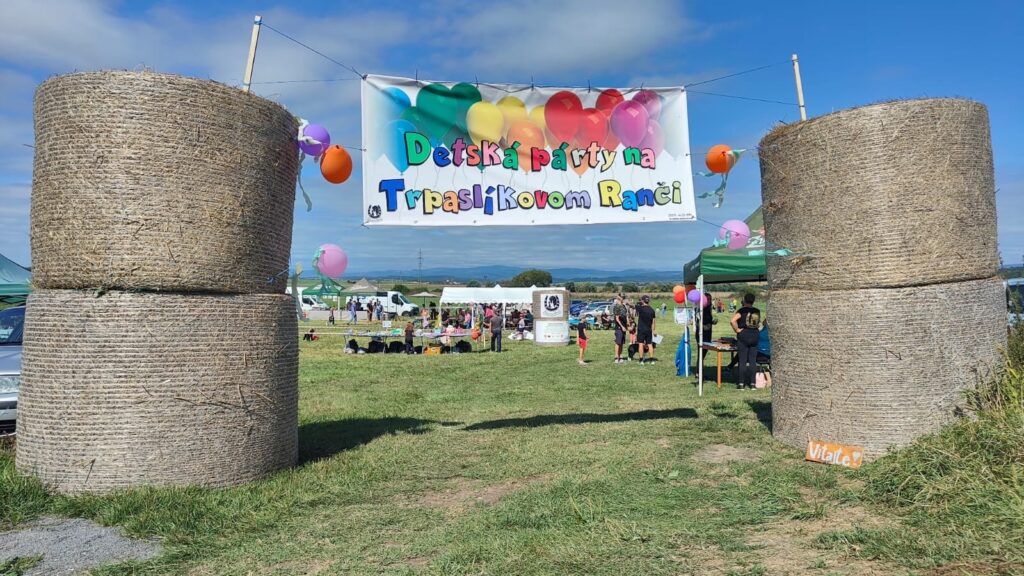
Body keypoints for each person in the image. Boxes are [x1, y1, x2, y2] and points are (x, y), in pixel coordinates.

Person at [730, 293, 762, 390]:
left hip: (744, 335)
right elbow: (758, 323)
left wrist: (737, 329)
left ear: (744, 300)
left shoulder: (742, 310)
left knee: (742, 360)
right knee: (752, 361)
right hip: (755, 334)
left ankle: (741, 383)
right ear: (753, 301)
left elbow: (732, 321)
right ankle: (753, 384)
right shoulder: (757, 311)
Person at [635, 295, 657, 364]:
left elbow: (632, 305)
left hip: (641, 329)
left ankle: (641, 360)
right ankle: (651, 360)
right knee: (650, 344)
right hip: (649, 330)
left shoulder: (640, 308)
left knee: (640, 344)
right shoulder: (652, 310)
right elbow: (653, 322)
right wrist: (654, 330)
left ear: (643, 301)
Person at [699, 296, 715, 366]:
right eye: (708, 299)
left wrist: (712, 322)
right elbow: (697, 322)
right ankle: (698, 370)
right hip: (702, 334)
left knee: (704, 352)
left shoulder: (709, 308)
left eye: (710, 299)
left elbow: (707, 320)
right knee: (701, 353)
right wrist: (704, 327)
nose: (710, 301)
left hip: (708, 333)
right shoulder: (700, 309)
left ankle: (700, 369)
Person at [612, 295, 628, 364]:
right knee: (618, 342)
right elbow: (617, 318)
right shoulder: (617, 306)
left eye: (624, 297)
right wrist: (622, 326)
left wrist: (627, 324)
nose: (623, 298)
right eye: (622, 297)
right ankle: (616, 357)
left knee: (621, 343)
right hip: (619, 327)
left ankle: (620, 356)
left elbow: (626, 315)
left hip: (624, 327)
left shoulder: (623, 306)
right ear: (619, 298)